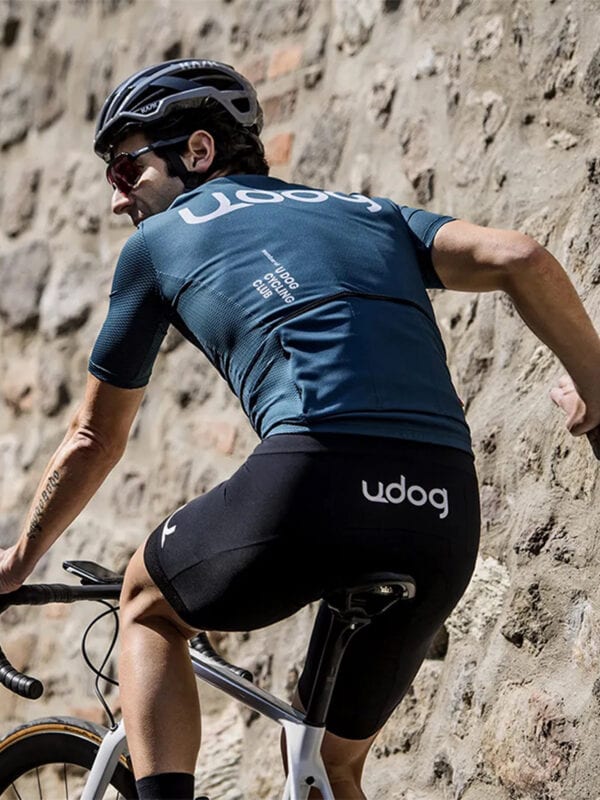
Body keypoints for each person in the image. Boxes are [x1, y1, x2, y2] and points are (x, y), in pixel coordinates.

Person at [0, 58, 598, 800]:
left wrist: (17, 562)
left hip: (318, 473)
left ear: (198, 151)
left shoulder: (157, 243)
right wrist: (594, 390)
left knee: (147, 603)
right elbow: (520, 257)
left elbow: (95, 438)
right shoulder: (370, 212)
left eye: (126, 170)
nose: (118, 198)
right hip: (445, 507)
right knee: (330, 767)